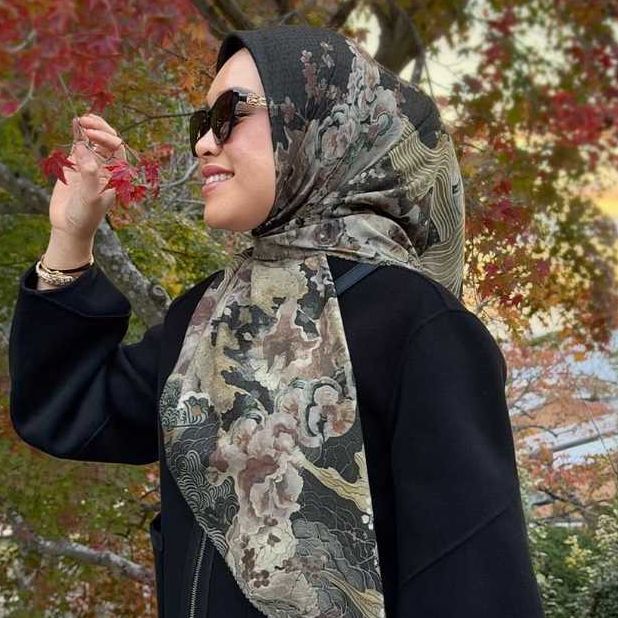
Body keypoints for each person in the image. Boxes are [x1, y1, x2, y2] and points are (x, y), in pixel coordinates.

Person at [8, 23, 546, 618]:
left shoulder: (421, 325)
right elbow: (69, 409)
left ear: (320, 124)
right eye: (201, 123)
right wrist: (71, 235)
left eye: (229, 115)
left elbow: (472, 583)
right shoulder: (205, 317)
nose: (203, 144)